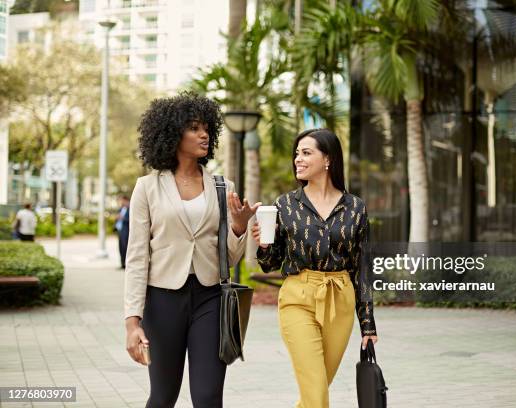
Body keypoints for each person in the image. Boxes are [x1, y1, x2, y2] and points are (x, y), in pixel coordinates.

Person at [123, 91, 260, 408]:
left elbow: (229, 257)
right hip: (162, 300)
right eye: (194, 128)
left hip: (210, 298)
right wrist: (132, 321)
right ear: (173, 133)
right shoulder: (147, 187)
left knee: (209, 396)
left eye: (206, 128)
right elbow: (137, 257)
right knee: (163, 396)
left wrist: (238, 227)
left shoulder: (223, 187)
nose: (204, 135)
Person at [252, 128, 378, 408]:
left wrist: (367, 324)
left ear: (328, 159)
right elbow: (271, 261)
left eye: (306, 153)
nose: (298, 159)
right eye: (296, 153)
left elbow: (363, 269)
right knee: (317, 393)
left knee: (314, 393)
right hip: (298, 298)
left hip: (340, 299)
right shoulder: (285, 205)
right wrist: (263, 245)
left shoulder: (355, 208)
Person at [115, 195, 130, 269]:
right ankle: (122, 264)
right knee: (120, 248)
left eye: (122, 200)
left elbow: (131, 220)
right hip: (120, 231)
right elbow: (117, 217)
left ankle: (127, 264)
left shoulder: (130, 208)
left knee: (125, 248)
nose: (121, 202)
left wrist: (122, 218)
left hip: (126, 231)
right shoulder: (121, 209)